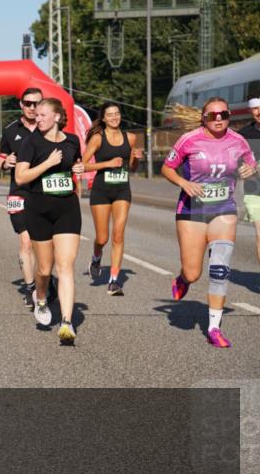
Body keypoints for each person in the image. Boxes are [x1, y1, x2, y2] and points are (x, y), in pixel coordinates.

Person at [162, 97, 257, 348]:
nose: (218, 119)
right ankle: (183, 279)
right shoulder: (189, 139)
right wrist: (183, 183)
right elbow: (167, 167)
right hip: (192, 210)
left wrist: (251, 169)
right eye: (212, 115)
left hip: (224, 210)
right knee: (193, 272)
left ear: (229, 116)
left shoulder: (238, 141)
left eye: (223, 114)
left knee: (220, 270)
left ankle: (214, 328)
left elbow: (250, 162)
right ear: (203, 118)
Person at [13, 98, 84, 344]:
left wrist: (78, 169)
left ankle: (66, 322)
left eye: (43, 114)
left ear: (57, 117)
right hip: (39, 210)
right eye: (37, 114)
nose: (38, 117)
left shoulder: (72, 141)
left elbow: (75, 165)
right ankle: (41, 298)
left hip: (67, 208)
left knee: (65, 266)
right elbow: (20, 177)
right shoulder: (31, 142)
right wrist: (47, 164)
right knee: (44, 270)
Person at [82, 104, 143, 295]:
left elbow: (132, 167)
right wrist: (107, 163)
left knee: (118, 235)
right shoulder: (98, 138)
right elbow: (83, 165)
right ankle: (96, 257)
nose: (114, 117)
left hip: (122, 190)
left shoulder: (130, 138)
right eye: (110, 115)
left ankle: (114, 281)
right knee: (103, 238)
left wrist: (137, 158)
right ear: (104, 118)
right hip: (101, 191)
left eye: (117, 114)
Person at [0, 88, 42, 305]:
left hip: (43, 192)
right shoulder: (10, 130)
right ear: (21, 105)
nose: (32, 107)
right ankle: (31, 288)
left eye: (36, 103)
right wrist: (5, 163)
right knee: (26, 241)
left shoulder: (48, 126)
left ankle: (43, 278)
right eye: (28, 103)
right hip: (19, 192)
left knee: (43, 243)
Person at [239, 97, 260, 264]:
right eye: (255, 108)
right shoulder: (244, 134)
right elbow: (235, 160)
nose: (259, 112)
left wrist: (256, 168)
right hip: (254, 191)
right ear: (250, 111)